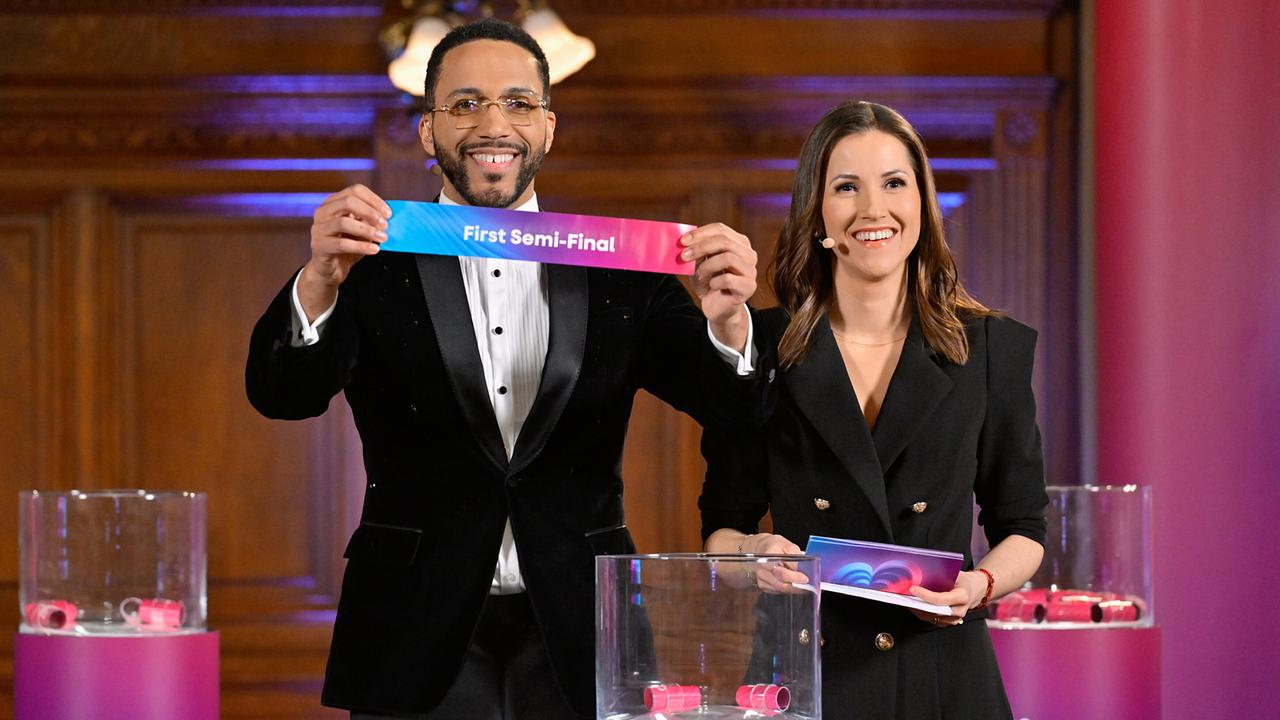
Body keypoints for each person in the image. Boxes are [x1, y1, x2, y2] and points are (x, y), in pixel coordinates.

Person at [246, 18, 762, 720]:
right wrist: (317, 281)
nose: (493, 123)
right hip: (412, 629)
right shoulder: (366, 263)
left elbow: (738, 412)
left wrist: (731, 323)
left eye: (517, 103)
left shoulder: (623, 272)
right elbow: (283, 395)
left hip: (584, 629)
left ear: (548, 127)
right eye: (465, 104)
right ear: (429, 132)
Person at [699, 100, 1048, 719]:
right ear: (818, 213)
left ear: (922, 202)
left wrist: (976, 586)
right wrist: (751, 559)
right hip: (805, 676)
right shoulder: (763, 345)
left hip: (942, 674)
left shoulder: (992, 347)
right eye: (846, 188)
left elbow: (1022, 528)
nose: (873, 210)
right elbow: (720, 533)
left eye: (894, 183)